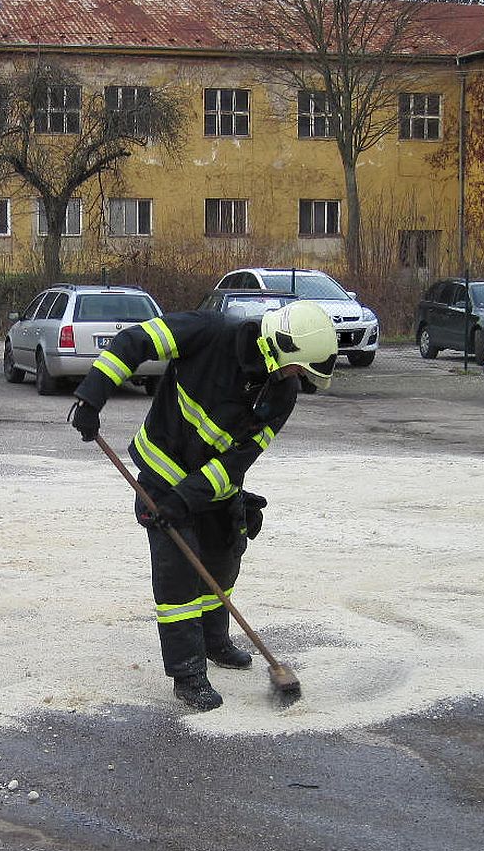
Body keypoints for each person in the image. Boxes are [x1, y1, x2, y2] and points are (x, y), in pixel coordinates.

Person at [68, 299, 338, 710]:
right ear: (278, 347)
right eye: (297, 368)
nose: (297, 377)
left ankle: (215, 641)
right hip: (162, 474)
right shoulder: (209, 332)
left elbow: (238, 459)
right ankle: (188, 674)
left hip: (214, 488)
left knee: (224, 559)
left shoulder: (282, 392)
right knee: (178, 572)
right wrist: (92, 397)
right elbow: (133, 342)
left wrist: (189, 498)